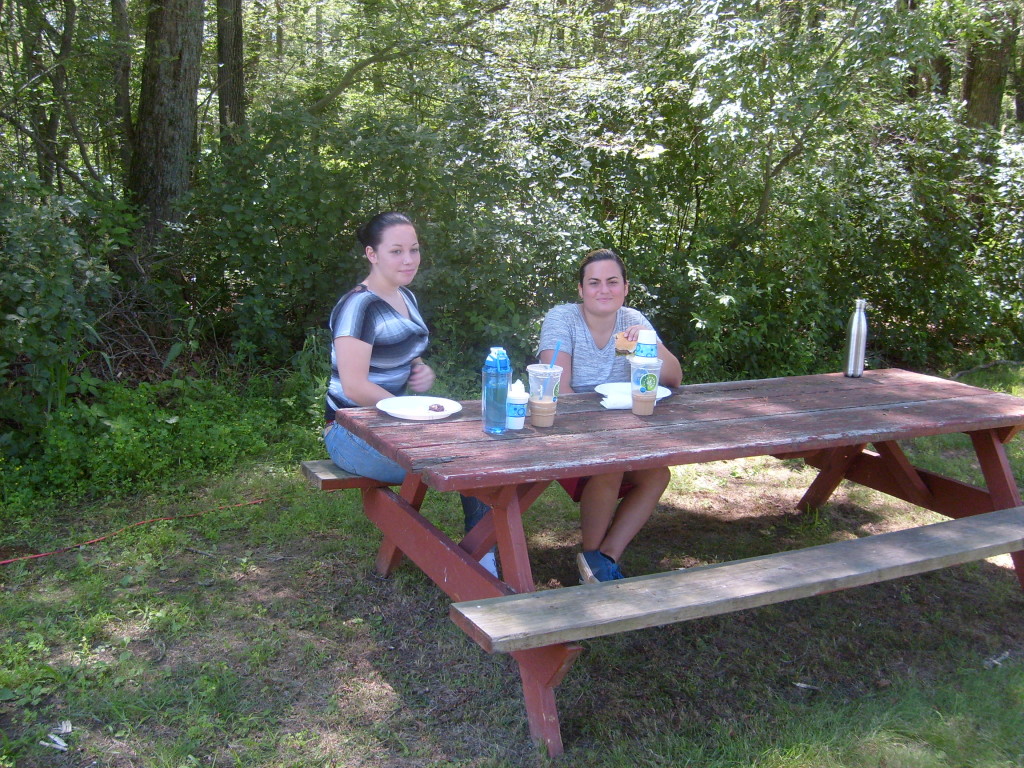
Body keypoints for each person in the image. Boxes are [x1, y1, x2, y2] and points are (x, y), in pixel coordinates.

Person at [324, 212, 496, 576]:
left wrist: (420, 369)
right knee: (464, 459)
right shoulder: (359, 306)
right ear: (372, 254)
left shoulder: (405, 296)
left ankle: (485, 555)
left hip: (398, 424)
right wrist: (408, 405)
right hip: (351, 431)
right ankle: (481, 567)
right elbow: (354, 386)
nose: (408, 259)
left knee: (482, 446)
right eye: (396, 251)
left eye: (414, 250)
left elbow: (403, 348)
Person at [538, 248, 682, 583]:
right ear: (581, 290)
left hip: (624, 430)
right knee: (611, 466)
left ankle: (604, 556)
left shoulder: (631, 324)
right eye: (594, 283)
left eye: (612, 282)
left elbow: (673, 379)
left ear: (625, 287)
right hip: (569, 428)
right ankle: (592, 558)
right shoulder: (564, 319)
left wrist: (647, 346)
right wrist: (600, 434)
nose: (604, 290)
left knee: (657, 475)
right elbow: (558, 386)